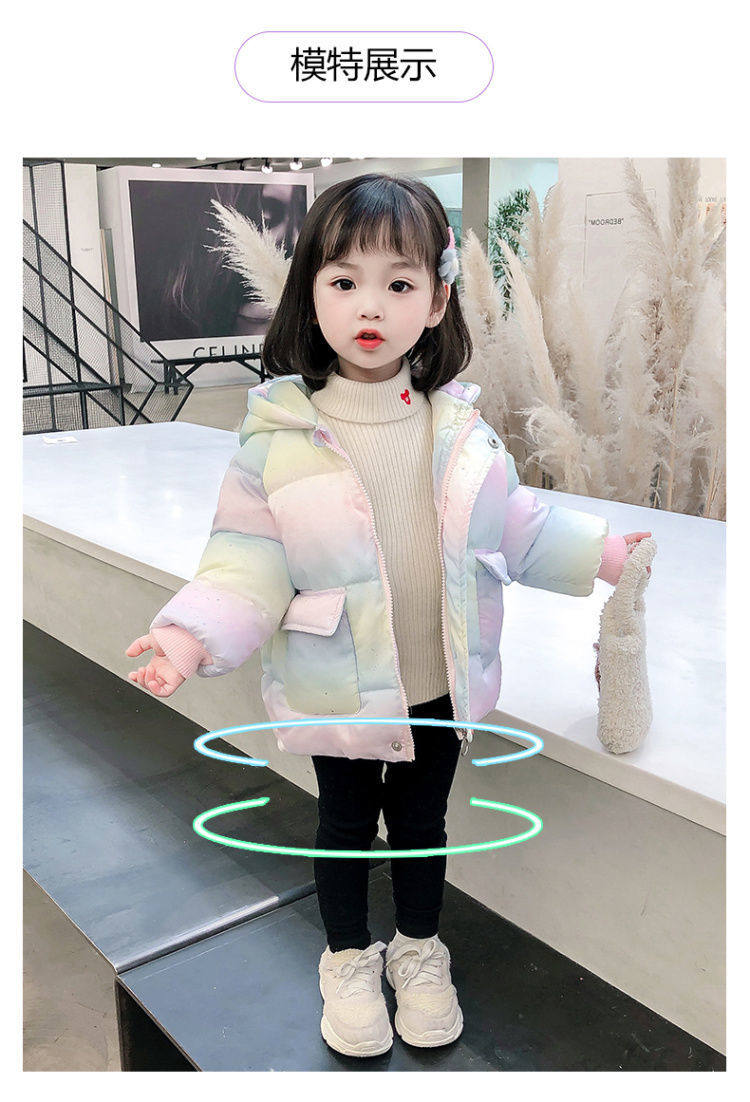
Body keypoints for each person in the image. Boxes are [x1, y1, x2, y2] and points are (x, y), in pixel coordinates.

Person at [125, 173, 652, 1059]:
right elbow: (246, 560)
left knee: (420, 828)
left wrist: (600, 554)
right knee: (342, 827)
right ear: (311, 296)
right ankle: (346, 957)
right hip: (339, 684)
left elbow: (516, 528)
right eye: (344, 280)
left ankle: (417, 950)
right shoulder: (277, 441)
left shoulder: (463, 434)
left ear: (437, 301)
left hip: (439, 682)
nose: (371, 305)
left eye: (400, 282)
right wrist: (187, 637)